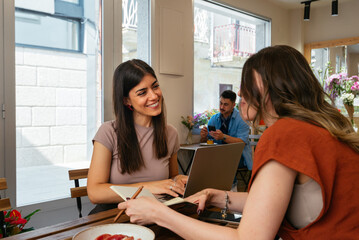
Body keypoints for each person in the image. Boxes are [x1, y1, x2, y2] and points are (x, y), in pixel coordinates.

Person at [118, 45, 359, 239]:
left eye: (246, 85)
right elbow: (275, 202)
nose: (241, 93)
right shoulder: (328, 125)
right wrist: (218, 196)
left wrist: (159, 213)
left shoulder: (284, 133)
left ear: (269, 89)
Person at [87, 59, 187, 214]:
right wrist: (148, 187)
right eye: (142, 92)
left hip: (157, 214)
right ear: (127, 100)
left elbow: (172, 177)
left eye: (155, 86)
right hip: (116, 215)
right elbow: (95, 193)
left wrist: (178, 181)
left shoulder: (170, 133)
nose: (154, 96)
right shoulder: (108, 132)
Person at [200, 90, 252, 170]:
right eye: (220, 103)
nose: (221, 107)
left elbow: (242, 142)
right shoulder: (214, 119)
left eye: (226, 104)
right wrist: (203, 137)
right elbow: (206, 142)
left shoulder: (242, 119)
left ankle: (229, 183)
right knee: (201, 158)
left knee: (222, 160)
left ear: (233, 105)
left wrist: (223, 137)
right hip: (219, 155)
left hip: (239, 156)